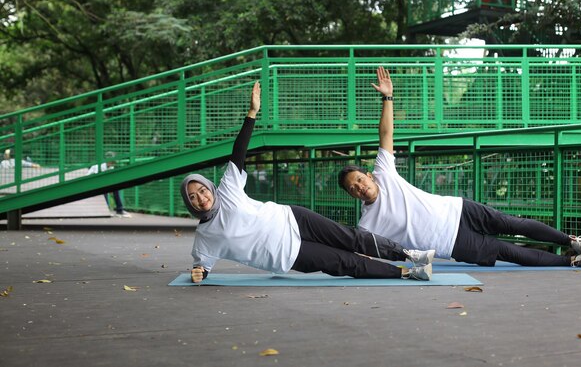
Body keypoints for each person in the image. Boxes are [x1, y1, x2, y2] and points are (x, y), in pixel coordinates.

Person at [337, 66, 581, 268]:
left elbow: (386, 134)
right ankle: (574, 261)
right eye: (353, 189)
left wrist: (388, 98)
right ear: (352, 196)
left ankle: (572, 242)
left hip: (458, 210)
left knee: (514, 223)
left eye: (359, 179)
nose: (359, 187)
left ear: (369, 175)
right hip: (451, 243)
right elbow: (362, 250)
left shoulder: (384, 173)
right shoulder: (366, 224)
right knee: (507, 252)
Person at [180, 81, 435, 283]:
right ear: (189, 204)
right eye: (193, 197)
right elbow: (202, 266)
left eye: (202, 190)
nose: (201, 198)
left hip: (292, 218)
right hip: (287, 254)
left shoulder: (227, 191)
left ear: (210, 188)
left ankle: (409, 255)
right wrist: (199, 274)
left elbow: (239, 152)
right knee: (344, 262)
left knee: (351, 238)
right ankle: (407, 273)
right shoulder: (205, 237)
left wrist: (252, 113)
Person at [87, 151, 131, 218]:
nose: (113, 163)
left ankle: (119, 210)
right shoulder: (100, 165)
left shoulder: (110, 167)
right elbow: (94, 177)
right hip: (90, 182)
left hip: (101, 183)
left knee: (115, 189)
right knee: (104, 189)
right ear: (108, 160)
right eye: (112, 161)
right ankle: (106, 210)